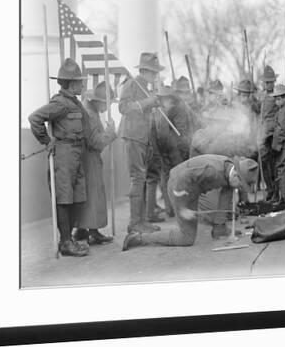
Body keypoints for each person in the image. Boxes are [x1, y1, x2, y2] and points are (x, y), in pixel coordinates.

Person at [122, 154, 259, 250]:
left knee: (228, 188)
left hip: (192, 187)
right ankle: (138, 238)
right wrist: (182, 207)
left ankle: (219, 228)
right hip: (179, 186)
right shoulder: (212, 171)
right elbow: (183, 177)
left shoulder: (229, 167)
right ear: (235, 174)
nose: (240, 190)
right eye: (241, 186)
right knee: (186, 238)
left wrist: (220, 225)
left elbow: (227, 188)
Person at [28, 58, 90, 257]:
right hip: (63, 153)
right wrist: (46, 141)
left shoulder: (74, 102)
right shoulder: (60, 103)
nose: (82, 84)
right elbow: (35, 118)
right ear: (71, 84)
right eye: (80, 82)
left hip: (76, 152)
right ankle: (65, 242)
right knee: (64, 198)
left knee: (78, 197)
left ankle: (69, 237)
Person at [118, 52, 165, 234]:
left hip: (143, 138)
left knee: (142, 178)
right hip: (133, 136)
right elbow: (123, 108)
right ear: (144, 71)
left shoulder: (147, 86)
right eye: (153, 72)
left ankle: (142, 221)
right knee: (137, 179)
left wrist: (153, 103)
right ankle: (134, 223)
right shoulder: (132, 83)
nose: (155, 76)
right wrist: (148, 102)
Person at [72, 81, 117, 245]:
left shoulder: (89, 110)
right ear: (100, 101)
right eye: (108, 103)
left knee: (86, 193)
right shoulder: (90, 114)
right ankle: (93, 232)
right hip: (89, 158)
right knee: (94, 194)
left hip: (83, 157)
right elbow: (96, 142)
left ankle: (81, 229)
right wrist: (110, 133)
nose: (108, 107)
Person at [154, 86, 196, 217]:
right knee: (169, 180)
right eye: (162, 98)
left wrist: (183, 149)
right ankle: (172, 208)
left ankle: (176, 208)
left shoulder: (178, 110)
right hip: (166, 150)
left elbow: (182, 131)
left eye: (166, 98)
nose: (163, 101)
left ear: (171, 98)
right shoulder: (162, 111)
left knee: (176, 179)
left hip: (176, 150)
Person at [254, 65, 280, 202]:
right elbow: (258, 112)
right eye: (266, 82)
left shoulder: (277, 96)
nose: (268, 84)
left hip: (272, 135)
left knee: (273, 165)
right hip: (262, 134)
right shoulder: (262, 96)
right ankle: (269, 191)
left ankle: (276, 193)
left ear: (274, 82)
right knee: (264, 164)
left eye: (270, 82)